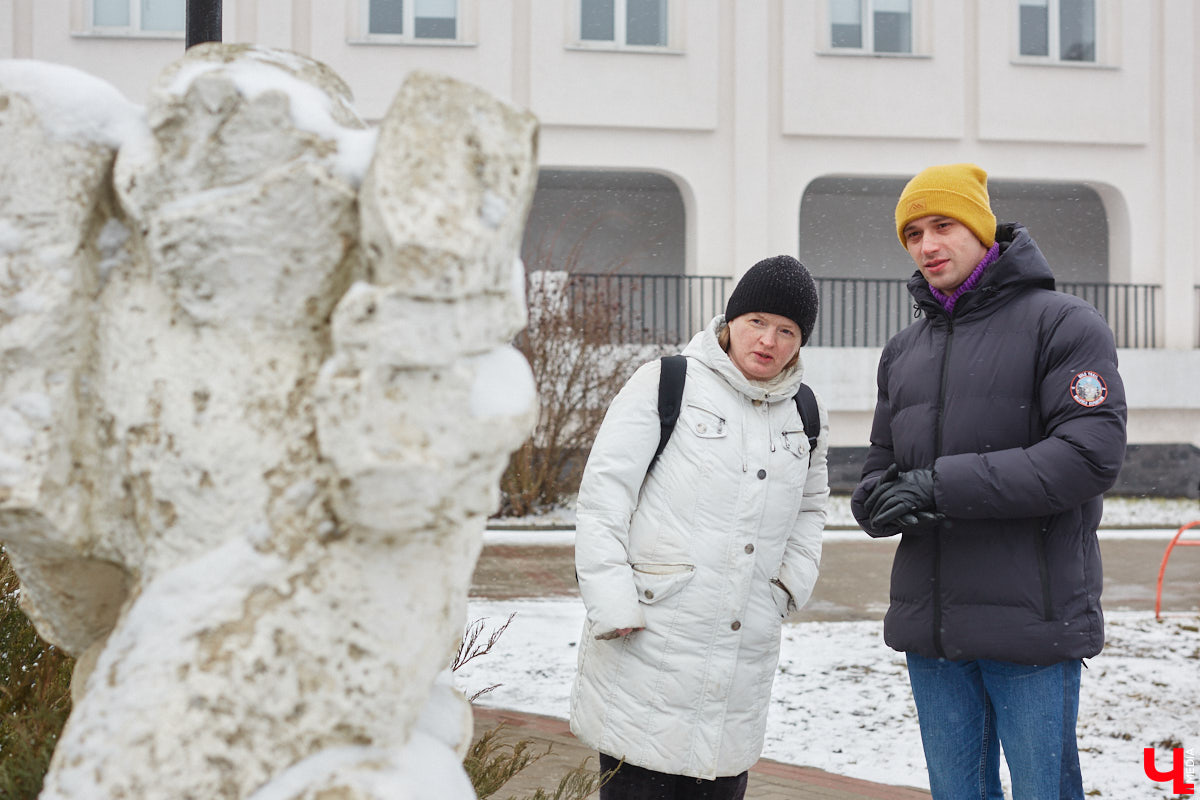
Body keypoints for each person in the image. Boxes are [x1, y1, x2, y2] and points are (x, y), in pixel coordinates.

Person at [851, 163, 1127, 799]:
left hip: (1030, 625)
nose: (928, 245)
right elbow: (879, 465)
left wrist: (940, 486)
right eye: (913, 233)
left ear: (980, 228)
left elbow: (1088, 457)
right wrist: (876, 505)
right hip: (935, 630)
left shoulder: (1063, 323)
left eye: (943, 225)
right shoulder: (903, 350)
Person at [570, 255, 829, 800]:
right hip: (649, 641)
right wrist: (613, 603)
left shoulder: (804, 412)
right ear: (731, 320)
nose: (769, 341)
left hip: (742, 653)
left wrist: (787, 586)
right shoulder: (667, 383)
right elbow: (604, 499)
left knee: (720, 780)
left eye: (787, 330)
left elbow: (811, 510)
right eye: (757, 321)